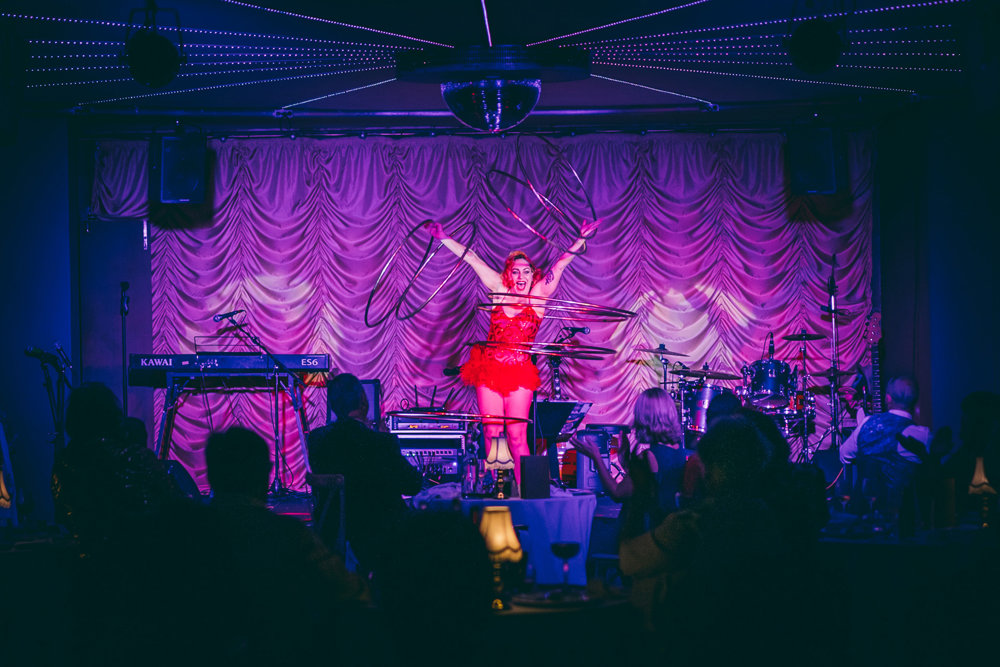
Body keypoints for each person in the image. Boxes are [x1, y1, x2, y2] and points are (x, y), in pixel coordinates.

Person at [423, 219, 598, 486]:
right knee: (492, 433)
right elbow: (472, 258)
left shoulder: (538, 296)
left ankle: (526, 491)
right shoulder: (499, 291)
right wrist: (443, 236)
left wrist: (580, 239)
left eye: (526, 272)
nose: (520, 277)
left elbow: (560, 264)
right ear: (508, 274)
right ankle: (499, 490)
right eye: (515, 272)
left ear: (532, 275)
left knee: (517, 436)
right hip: (490, 369)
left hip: (519, 373)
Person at [308, 372, 424, 573]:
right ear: (364, 401)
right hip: (380, 537)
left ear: (334, 406)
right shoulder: (381, 443)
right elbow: (413, 485)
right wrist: (384, 439)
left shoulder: (317, 440)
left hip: (332, 531)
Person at [571, 388, 688, 535]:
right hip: (666, 531)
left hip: (643, 535)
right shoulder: (679, 451)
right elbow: (649, 485)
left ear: (645, 419)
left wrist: (596, 457)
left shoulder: (649, 456)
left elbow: (617, 493)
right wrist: (626, 461)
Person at [840, 375, 931, 516]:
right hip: (902, 519)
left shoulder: (866, 423)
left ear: (888, 399)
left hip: (862, 517)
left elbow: (844, 455)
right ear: (916, 400)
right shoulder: (922, 435)